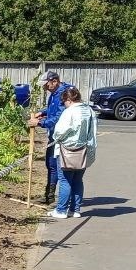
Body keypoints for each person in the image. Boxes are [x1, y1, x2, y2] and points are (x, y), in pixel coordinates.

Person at [27, 70, 73, 207]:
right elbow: (52, 110)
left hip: (61, 136)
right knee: (50, 164)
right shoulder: (54, 93)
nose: (44, 87)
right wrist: (42, 112)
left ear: (54, 81)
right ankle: (49, 194)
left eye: (46, 84)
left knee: (57, 166)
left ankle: (52, 197)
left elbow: (60, 116)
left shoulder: (64, 94)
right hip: (53, 134)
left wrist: (40, 123)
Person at [50, 86, 97, 219]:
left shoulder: (69, 112)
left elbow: (59, 132)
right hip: (84, 151)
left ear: (69, 100)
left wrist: (56, 138)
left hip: (67, 151)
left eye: (64, 102)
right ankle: (75, 210)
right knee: (78, 180)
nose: (64, 105)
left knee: (65, 180)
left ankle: (61, 210)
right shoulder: (89, 111)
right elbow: (93, 132)